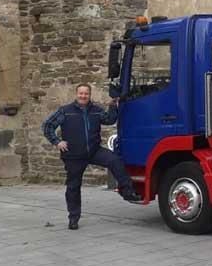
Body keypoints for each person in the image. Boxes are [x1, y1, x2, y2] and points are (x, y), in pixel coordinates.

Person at [41, 83, 141, 230]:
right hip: (73, 155)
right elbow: (47, 125)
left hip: (94, 152)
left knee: (115, 160)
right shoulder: (65, 111)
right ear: (76, 94)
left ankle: (127, 191)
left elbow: (109, 119)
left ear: (89, 95)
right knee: (73, 187)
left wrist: (113, 105)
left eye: (86, 94)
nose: (83, 96)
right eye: (81, 93)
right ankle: (73, 218)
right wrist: (57, 142)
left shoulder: (95, 110)